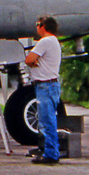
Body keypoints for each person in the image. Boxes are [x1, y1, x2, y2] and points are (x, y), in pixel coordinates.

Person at [26, 15, 62, 165]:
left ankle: (52, 154)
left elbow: (29, 59)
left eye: (37, 24)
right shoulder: (54, 41)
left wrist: (34, 62)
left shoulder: (45, 41)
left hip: (45, 85)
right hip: (50, 85)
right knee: (47, 120)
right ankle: (47, 149)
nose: (36, 27)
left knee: (47, 122)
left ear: (43, 26)